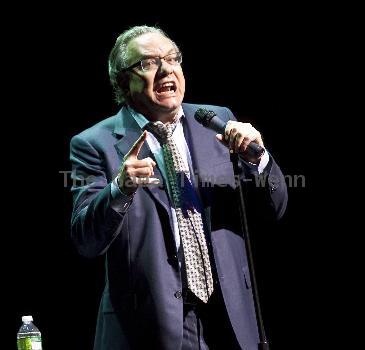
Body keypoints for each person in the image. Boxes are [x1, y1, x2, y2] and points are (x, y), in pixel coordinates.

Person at [70, 25, 287, 350]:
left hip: (230, 315)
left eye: (172, 59)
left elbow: (276, 208)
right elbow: (86, 241)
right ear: (122, 82)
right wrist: (119, 189)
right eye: (148, 63)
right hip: (148, 325)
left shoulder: (216, 121)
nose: (166, 69)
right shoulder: (94, 144)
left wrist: (260, 160)